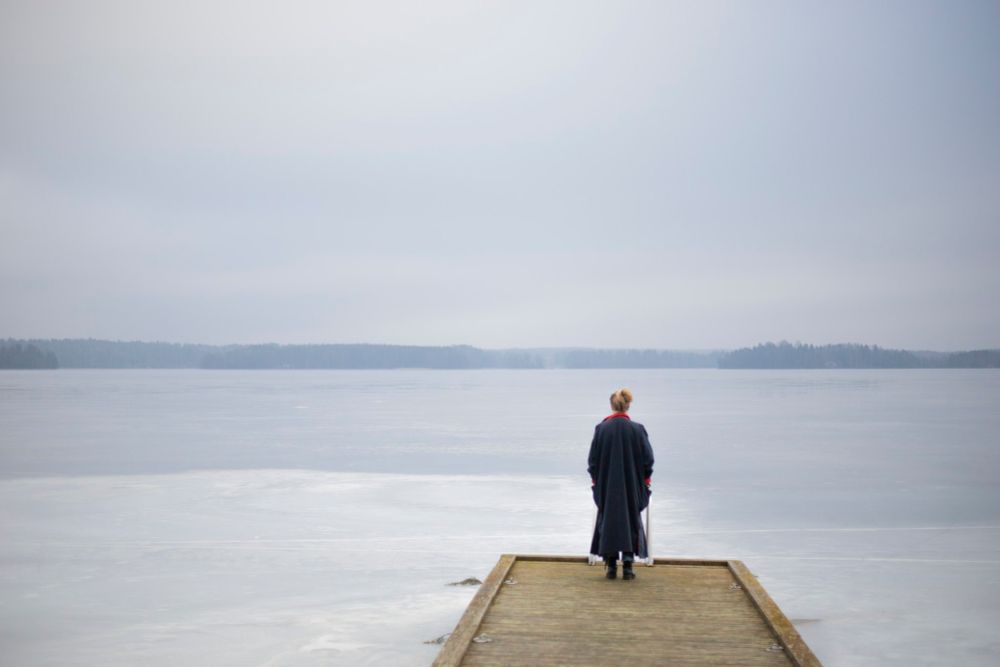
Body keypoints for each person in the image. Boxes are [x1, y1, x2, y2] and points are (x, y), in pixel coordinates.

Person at [588, 388, 654, 580]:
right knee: (631, 519)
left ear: (612, 406)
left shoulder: (601, 429)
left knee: (608, 519)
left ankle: (610, 566)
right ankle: (627, 565)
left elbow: (593, 461)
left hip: (607, 484)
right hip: (631, 483)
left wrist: (596, 482)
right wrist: (645, 482)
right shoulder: (637, 429)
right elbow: (648, 460)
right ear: (627, 406)